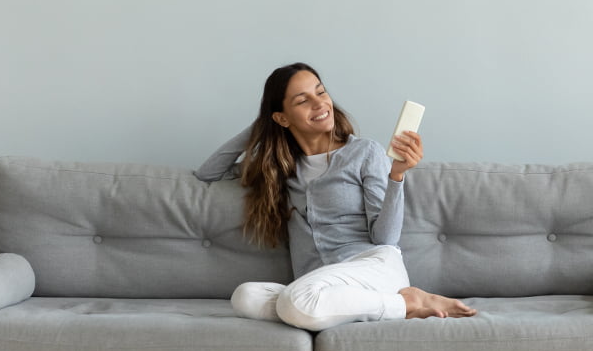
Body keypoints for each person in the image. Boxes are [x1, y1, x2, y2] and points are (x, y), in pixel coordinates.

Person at [195, 62, 477, 331]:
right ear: (282, 117)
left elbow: (386, 239)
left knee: (296, 300)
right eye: (302, 100)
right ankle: (349, 310)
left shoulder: (364, 152)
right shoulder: (278, 167)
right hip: (320, 286)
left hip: (372, 268)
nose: (319, 104)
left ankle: (404, 302)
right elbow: (209, 172)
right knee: (245, 297)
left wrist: (397, 176)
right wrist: (262, 127)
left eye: (320, 92)